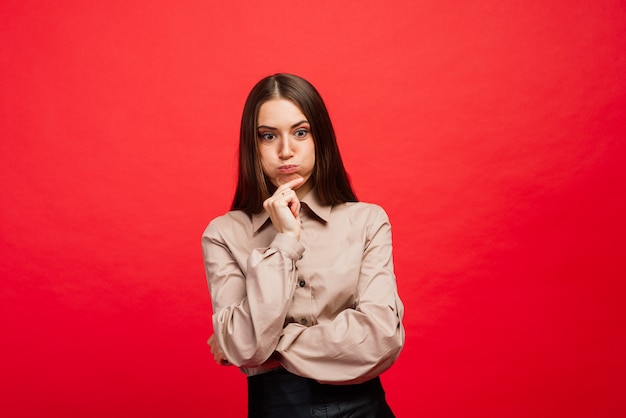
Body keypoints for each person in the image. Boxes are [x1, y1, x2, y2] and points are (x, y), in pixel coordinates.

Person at [202, 73, 405, 417]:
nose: (285, 150)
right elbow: (247, 348)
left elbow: (381, 340)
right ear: (253, 146)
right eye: (268, 136)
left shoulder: (367, 221)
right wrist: (285, 240)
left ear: (320, 138)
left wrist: (262, 344)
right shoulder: (224, 234)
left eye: (300, 132)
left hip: (364, 408)